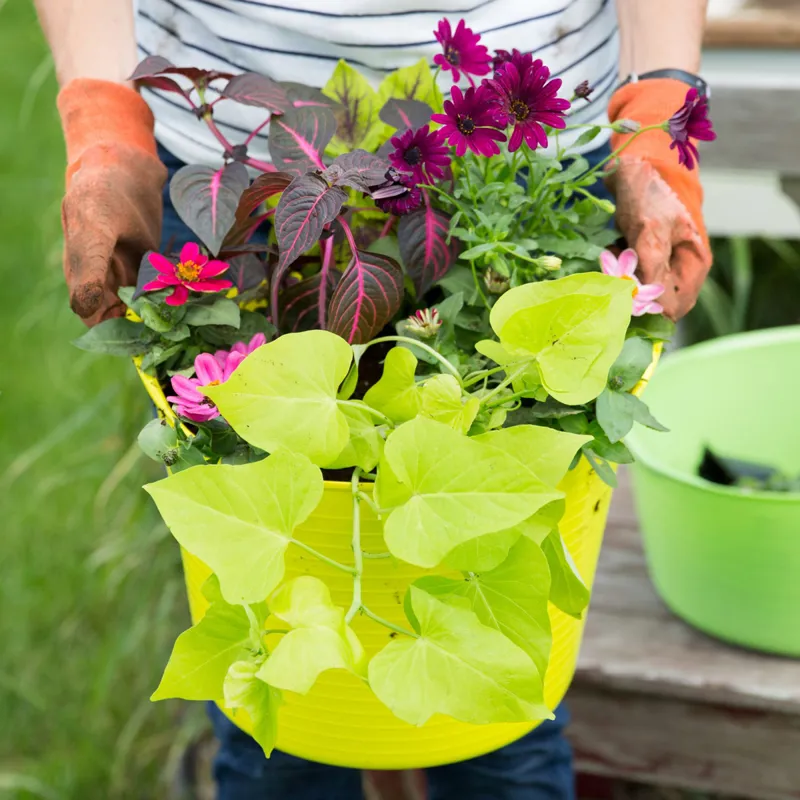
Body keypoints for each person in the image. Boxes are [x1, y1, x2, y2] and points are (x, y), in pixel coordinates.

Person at [34, 1, 712, 798]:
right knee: (274, 685)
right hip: (229, 182)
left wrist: (659, 111)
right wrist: (103, 120)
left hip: (529, 154)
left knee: (500, 702)